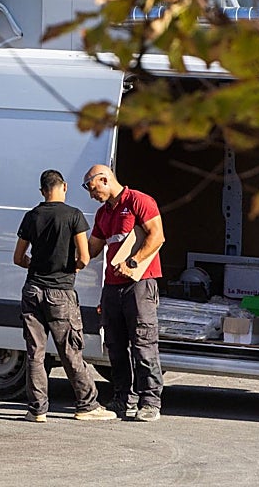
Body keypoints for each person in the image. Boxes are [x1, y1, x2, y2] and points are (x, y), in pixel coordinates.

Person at [13, 169, 117, 423]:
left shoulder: (31, 217)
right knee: (70, 350)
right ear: (65, 187)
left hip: (32, 290)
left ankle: (37, 410)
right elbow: (83, 256)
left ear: (42, 191)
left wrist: (36, 265)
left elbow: (18, 258)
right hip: (60, 292)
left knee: (35, 353)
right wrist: (71, 268)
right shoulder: (73, 216)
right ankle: (87, 405)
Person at [83, 164, 166, 423]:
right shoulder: (103, 213)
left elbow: (157, 236)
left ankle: (150, 401)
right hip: (112, 287)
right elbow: (92, 249)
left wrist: (133, 262)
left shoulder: (139, 201)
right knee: (116, 346)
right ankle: (122, 398)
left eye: (93, 188)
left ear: (105, 180)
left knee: (143, 343)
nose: (91, 194)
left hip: (140, 283)